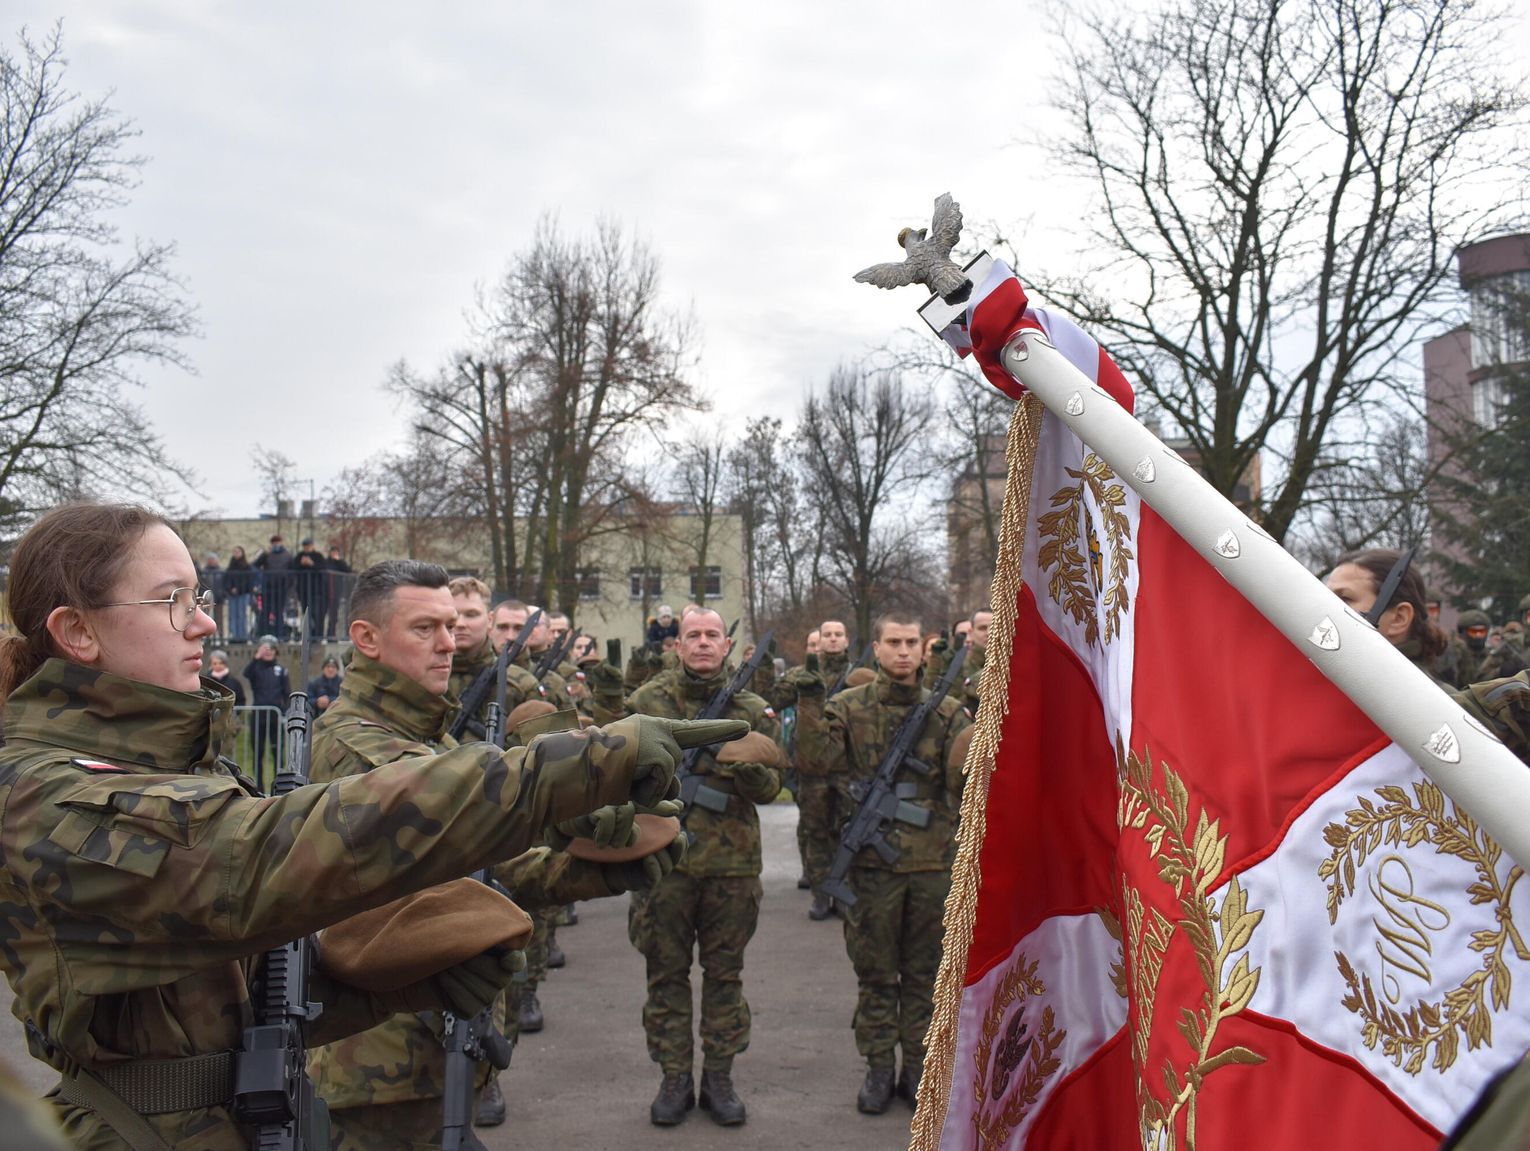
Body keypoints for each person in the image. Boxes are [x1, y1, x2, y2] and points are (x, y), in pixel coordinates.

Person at [0, 503, 729, 1149]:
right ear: (78, 630)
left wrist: (388, 988)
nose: (204, 622)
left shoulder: (164, 768)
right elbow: (254, 862)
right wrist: (570, 768)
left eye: (199, 597)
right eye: (172, 601)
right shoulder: (37, 792)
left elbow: (218, 1005)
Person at [306, 560, 689, 1150]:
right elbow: (457, 821)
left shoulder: (425, 735)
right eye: (425, 628)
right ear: (367, 638)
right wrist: (566, 788)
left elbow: (484, 867)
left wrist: (592, 874)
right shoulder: (354, 746)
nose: (447, 643)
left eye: (450, 624)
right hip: (379, 1061)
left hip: (430, 1042)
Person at [791, 610, 972, 1115]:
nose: (903, 651)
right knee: (874, 975)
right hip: (872, 869)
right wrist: (809, 704)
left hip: (932, 865)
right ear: (875, 649)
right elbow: (813, 763)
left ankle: (916, 1069)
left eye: (911, 642)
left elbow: (964, 783)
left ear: (922, 649)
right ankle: (876, 1067)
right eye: (893, 642)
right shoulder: (847, 707)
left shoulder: (948, 712)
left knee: (924, 975)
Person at [623, 607, 783, 1128]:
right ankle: (674, 1077)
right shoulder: (646, 704)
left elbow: (773, 789)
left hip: (731, 868)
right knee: (664, 975)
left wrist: (751, 772)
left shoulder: (751, 709)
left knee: (725, 976)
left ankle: (719, 1077)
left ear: (726, 645)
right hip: (662, 865)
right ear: (677, 645)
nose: (703, 643)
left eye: (713, 634)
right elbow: (617, 777)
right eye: (693, 635)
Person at [776, 619, 853, 919]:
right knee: (816, 834)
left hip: (846, 766)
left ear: (846, 640)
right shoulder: (803, 675)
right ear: (818, 641)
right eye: (827, 635)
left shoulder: (858, 675)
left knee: (846, 832)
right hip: (812, 769)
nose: (832, 639)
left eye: (838, 634)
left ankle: (842, 892)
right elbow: (772, 699)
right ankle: (821, 895)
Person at [1326, 549, 1449, 684]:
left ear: (1398, 619)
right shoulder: (1340, 679)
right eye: (1326, 597)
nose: (1326, 607)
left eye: (1345, 599)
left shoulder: (1430, 696)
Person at [446, 578, 544, 742]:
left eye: (471, 615)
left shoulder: (521, 685)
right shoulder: (422, 678)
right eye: (454, 615)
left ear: (490, 620)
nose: (460, 624)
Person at [493, 600, 573, 710]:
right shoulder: (474, 671)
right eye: (502, 627)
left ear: (529, 631)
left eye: (519, 628)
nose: (510, 637)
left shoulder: (554, 683)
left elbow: (572, 720)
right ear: (490, 626)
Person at [241, 635, 290, 780]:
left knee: (277, 752)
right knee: (258, 751)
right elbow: (246, 674)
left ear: (276, 651)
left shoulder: (281, 670)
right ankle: (258, 785)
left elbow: (287, 693)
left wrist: (284, 712)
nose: (268, 652)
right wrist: (256, 657)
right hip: (258, 716)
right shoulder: (255, 669)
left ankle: (278, 784)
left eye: (271, 649)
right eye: (265, 649)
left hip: (275, 716)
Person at [252, 534, 292, 637]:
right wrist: (264, 554)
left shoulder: (287, 555)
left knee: (279, 612)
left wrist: (288, 584)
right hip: (268, 587)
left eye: (277, 542)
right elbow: (255, 565)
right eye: (274, 543)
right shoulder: (267, 555)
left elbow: (292, 571)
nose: (276, 545)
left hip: (281, 588)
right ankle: (263, 634)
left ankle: (279, 635)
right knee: (265, 612)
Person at [294, 537, 327, 638]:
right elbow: (294, 568)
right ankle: (308, 634)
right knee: (306, 612)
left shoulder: (318, 556)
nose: (307, 548)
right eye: (305, 546)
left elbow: (322, 568)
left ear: (312, 546)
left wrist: (311, 564)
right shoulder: (299, 556)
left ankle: (317, 635)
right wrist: (301, 564)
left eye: (308, 546)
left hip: (316, 590)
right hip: (303, 589)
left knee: (316, 613)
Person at [223, 546, 254, 643]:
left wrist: (238, 589)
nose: (236, 553)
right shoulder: (231, 566)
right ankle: (234, 636)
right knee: (233, 615)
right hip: (232, 595)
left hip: (243, 593)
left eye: (238, 551)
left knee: (241, 614)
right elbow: (227, 579)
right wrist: (230, 588)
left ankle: (242, 636)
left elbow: (248, 581)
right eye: (234, 551)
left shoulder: (246, 567)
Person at [324, 545, 354, 641]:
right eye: (333, 552)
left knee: (334, 614)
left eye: (336, 552)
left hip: (336, 591)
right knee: (324, 614)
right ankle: (325, 634)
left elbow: (348, 570)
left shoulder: (339, 563)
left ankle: (331, 634)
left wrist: (339, 561)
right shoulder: (326, 562)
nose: (334, 554)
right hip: (326, 591)